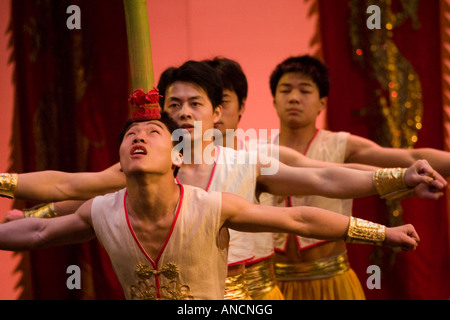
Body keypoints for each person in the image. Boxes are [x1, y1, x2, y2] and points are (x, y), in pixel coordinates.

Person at [0, 60, 446, 300]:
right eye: (173, 105)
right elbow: (70, 195)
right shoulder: (141, 163)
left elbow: (325, 182)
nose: (184, 113)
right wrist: (19, 202)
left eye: (196, 103)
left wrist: (395, 180)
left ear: (218, 113)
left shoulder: (249, 160)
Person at [268, 54, 450, 300]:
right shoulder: (259, 152)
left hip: (332, 281)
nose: (294, 98)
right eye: (285, 90)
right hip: (276, 286)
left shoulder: (339, 144)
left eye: (305, 90)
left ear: (322, 103)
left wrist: (409, 179)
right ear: (274, 100)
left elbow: (409, 157)